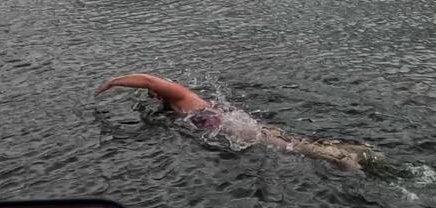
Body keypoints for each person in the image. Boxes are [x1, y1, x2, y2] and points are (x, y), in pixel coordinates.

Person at [95, 73, 379, 171]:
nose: (151, 92)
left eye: (154, 91)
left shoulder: (181, 95)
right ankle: (349, 151)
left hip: (235, 128)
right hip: (237, 125)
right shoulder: (178, 103)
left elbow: (147, 79)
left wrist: (113, 82)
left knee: (290, 147)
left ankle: (346, 159)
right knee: (291, 143)